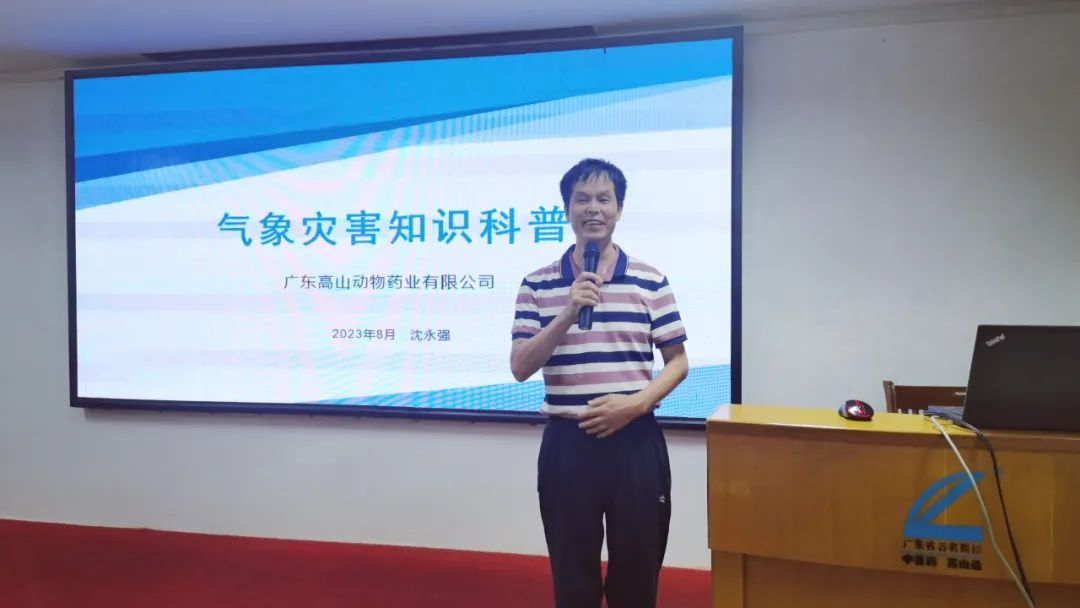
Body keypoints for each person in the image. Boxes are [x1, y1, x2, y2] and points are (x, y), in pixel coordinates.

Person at [510, 158, 689, 608]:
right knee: (573, 578)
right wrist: (567, 313)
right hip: (567, 447)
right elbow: (520, 367)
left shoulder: (650, 280)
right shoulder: (537, 285)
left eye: (604, 199)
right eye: (582, 199)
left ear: (619, 209)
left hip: (635, 442)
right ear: (566, 209)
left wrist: (635, 405)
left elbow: (678, 362)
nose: (593, 208)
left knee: (637, 575)